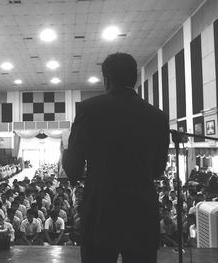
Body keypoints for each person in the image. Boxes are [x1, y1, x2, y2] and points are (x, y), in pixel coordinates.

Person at [62, 53, 170, 263]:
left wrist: (67, 153)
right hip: (141, 209)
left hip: (101, 208)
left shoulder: (89, 109)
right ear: (135, 79)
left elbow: (73, 167)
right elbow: (158, 169)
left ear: (106, 80)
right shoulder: (157, 116)